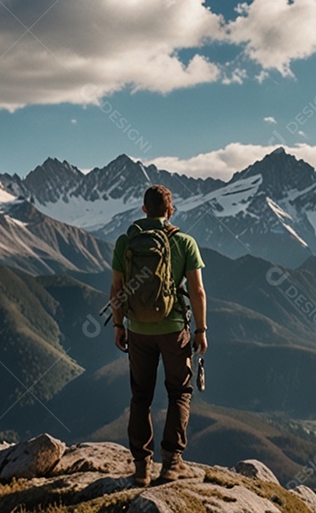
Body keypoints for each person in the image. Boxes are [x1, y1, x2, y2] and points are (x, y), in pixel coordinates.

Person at [111, 184, 207, 487]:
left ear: (143, 209)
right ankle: (171, 465)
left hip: (138, 329)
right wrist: (201, 330)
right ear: (171, 210)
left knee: (141, 396)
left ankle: (141, 468)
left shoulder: (126, 241)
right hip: (174, 328)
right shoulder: (185, 242)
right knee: (179, 392)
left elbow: (117, 289)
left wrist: (118, 325)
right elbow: (198, 291)